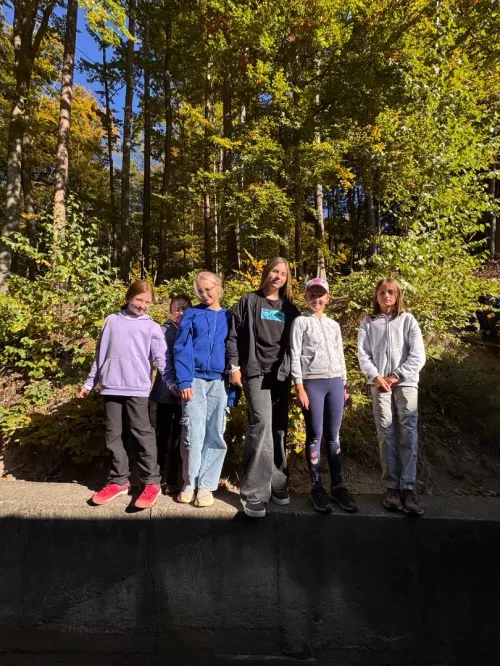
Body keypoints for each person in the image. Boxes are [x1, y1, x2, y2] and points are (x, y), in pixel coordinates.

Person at [78, 280, 167, 509]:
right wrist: (90, 382)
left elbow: (162, 360)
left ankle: (151, 482)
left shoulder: (152, 327)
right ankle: (119, 481)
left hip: (137, 388)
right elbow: (100, 355)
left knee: (142, 433)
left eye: (147, 302)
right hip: (111, 386)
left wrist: (173, 383)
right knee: (113, 435)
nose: (142, 305)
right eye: (139, 300)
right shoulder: (111, 321)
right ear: (128, 298)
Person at [227, 257, 300, 518]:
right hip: (255, 371)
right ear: (266, 272)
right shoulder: (249, 301)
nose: (278, 276)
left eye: (283, 273)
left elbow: (299, 343)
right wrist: (234, 366)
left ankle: (277, 482)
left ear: (287, 278)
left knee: (278, 427)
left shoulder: (290, 309)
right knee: (262, 424)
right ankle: (254, 493)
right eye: (274, 271)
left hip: (281, 374)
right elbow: (233, 335)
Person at [357, 278, 426, 516]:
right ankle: (392, 488)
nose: (386, 296)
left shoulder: (408, 320)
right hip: (380, 385)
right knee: (385, 434)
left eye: (391, 292)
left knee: (408, 432)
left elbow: (418, 355)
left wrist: (397, 375)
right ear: (376, 296)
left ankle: (408, 488)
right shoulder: (369, 322)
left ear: (397, 296)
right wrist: (376, 376)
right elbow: (363, 354)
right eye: (382, 292)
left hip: (405, 383)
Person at [290, 277, 358, 514]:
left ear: (328, 298)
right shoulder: (300, 322)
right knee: (315, 434)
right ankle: (317, 487)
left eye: (320, 295)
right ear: (305, 297)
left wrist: (345, 384)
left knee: (334, 435)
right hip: (312, 383)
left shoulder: (333, 325)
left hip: (335, 382)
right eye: (312, 295)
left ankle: (338, 486)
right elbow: (295, 354)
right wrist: (299, 387)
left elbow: (340, 355)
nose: (316, 299)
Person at [174, 272, 231, 508]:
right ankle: (189, 483)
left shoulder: (229, 316)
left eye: (209, 289)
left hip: (219, 382)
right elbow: (181, 347)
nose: (205, 294)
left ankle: (206, 486)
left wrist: (234, 385)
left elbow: (234, 350)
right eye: (200, 291)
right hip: (194, 381)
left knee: (215, 433)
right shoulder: (192, 314)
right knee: (192, 433)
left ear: (219, 288)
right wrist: (184, 381)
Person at [150, 294, 192, 493]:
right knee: (162, 434)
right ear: (170, 310)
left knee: (180, 437)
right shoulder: (162, 330)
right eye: (177, 308)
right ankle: (155, 477)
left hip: (185, 392)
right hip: (164, 392)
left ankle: (174, 479)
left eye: (184, 309)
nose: (180, 313)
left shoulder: (192, 329)